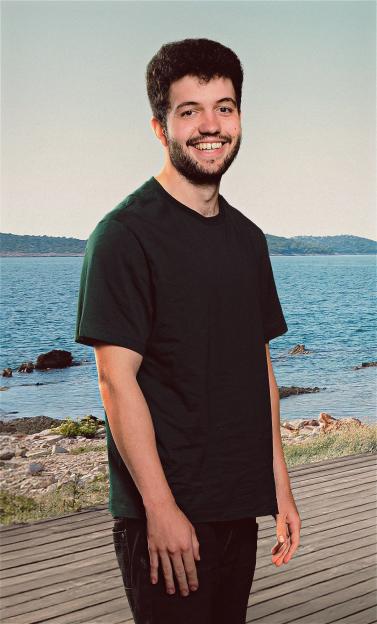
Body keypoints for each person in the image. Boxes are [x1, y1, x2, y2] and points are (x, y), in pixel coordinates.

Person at [74, 37, 301, 624]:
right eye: (189, 110)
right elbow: (115, 381)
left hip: (236, 503)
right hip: (165, 512)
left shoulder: (248, 240)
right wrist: (160, 508)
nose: (210, 126)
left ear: (240, 118)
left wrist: (279, 483)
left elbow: (260, 369)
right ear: (160, 127)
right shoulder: (124, 235)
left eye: (224, 107)